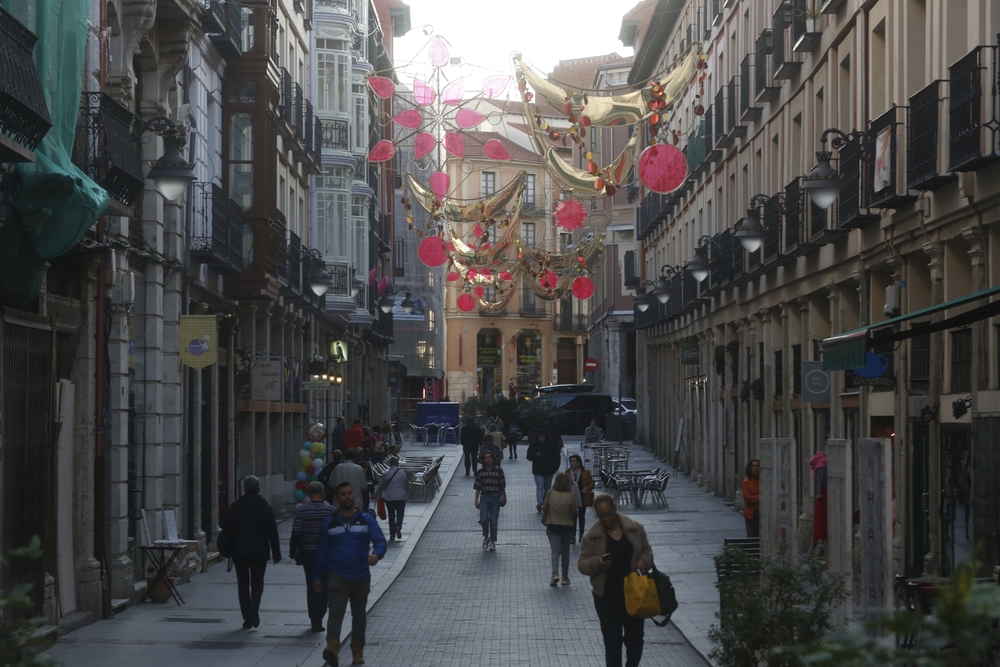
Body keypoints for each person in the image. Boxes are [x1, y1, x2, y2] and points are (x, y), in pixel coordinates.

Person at [313, 482, 387, 667]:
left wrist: (376, 554)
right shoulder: (330, 522)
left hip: (360, 576)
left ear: (354, 495)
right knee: (335, 614)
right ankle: (332, 648)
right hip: (337, 575)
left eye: (349, 493)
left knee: (359, 615)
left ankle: (357, 651)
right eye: (343, 494)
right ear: (337, 498)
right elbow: (322, 551)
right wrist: (317, 576)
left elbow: (380, 540)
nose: (347, 496)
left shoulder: (365, 519)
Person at [578, 494, 654, 667]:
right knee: (612, 643)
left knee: (635, 640)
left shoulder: (635, 529)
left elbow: (647, 552)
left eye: (609, 513)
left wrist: (643, 561)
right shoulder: (591, 537)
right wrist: (598, 562)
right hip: (607, 597)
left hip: (634, 594)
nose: (606, 519)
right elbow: (582, 564)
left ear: (615, 508)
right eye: (601, 516)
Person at [221, 475, 281, 629]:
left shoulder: (236, 506)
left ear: (244, 488)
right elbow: (272, 532)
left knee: (242, 584)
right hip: (259, 551)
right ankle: (254, 605)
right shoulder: (266, 507)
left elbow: (226, 526)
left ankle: (247, 618)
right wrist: (276, 554)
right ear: (259, 488)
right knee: (257, 583)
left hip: (240, 551)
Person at [289, 481, 336, 632]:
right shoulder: (331, 511)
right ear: (322, 493)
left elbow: (296, 531)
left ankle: (313, 618)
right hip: (326, 555)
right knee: (324, 585)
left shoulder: (302, 510)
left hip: (308, 553)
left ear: (308, 495)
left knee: (311, 584)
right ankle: (319, 616)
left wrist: (293, 551)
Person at [542, 473, 577, 586]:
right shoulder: (571, 496)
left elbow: (544, 508)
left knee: (555, 551)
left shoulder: (550, 493)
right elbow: (574, 512)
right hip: (567, 527)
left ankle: (554, 573)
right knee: (565, 552)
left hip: (552, 526)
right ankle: (565, 577)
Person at [473, 450, 506, 551]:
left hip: (495, 496)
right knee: (483, 519)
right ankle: (486, 536)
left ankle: (492, 541)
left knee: (493, 520)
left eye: (489, 457)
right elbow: (478, 487)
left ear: (493, 459)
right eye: (486, 458)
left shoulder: (498, 470)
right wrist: (476, 500)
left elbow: (502, 484)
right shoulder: (480, 472)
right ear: (483, 460)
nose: (488, 459)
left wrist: (502, 495)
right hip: (484, 497)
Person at [526, 429, 563, 512]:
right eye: (540, 437)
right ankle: (540, 502)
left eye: (542, 437)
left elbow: (557, 457)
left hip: (549, 470)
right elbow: (529, 456)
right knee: (540, 487)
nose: (541, 439)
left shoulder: (551, 445)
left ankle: (544, 502)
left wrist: (554, 468)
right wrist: (535, 455)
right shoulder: (534, 445)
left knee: (547, 488)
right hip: (538, 470)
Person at [375, 456, 408, 541]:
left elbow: (383, 486)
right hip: (401, 497)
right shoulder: (403, 473)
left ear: (389, 464)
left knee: (391, 515)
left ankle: (392, 534)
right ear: (398, 463)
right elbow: (406, 485)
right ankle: (398, 526)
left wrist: (378, 492)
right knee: (400, 513)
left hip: (390, 498)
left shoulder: (387, 474)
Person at [566, 454, 596, 544]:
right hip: (572, 498)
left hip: (583, 497)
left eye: (574, 461)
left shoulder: (585, 472)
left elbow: (592, 483)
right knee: (573, 517)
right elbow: (564, 484)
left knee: (581, 516)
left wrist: (586, 488)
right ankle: (573, 536)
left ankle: (581, 535)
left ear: (578, 463)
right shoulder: (567, 473)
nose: (572, 463)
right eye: (571, 461)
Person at [742, 459, 761, 538]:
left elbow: (767, 497)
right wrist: (759, 497)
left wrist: (752, 497)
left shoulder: (764, 481)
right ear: (750, 468)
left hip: (763, 513)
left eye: (757, 466)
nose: (755, 468)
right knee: (751, 537)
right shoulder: (746, 482)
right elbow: (746, 498)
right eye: (753, 466)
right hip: (750, 513)